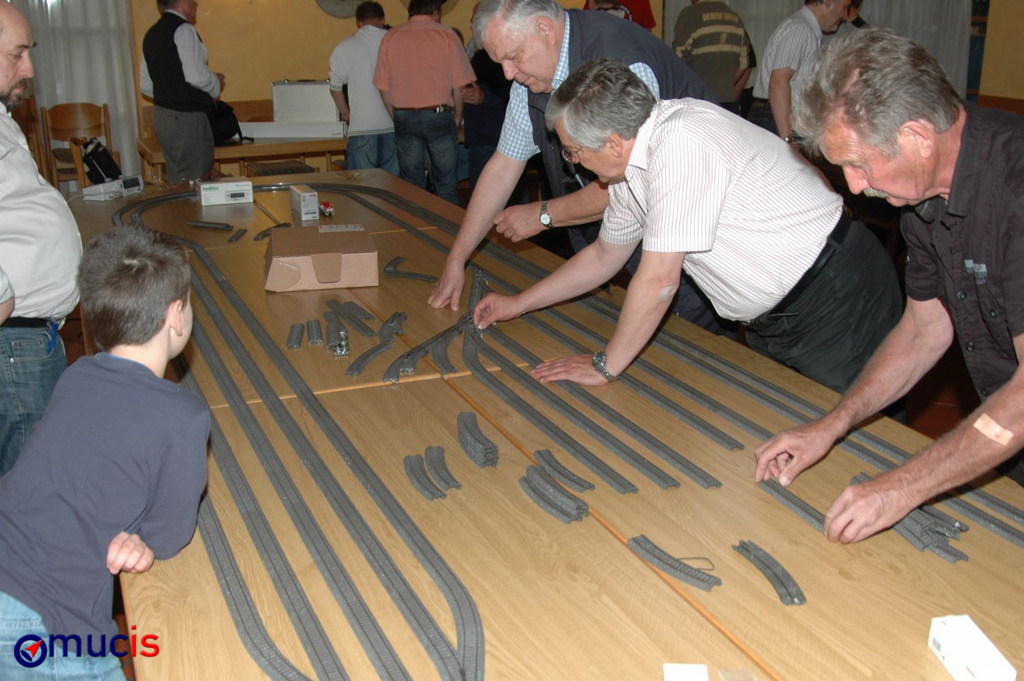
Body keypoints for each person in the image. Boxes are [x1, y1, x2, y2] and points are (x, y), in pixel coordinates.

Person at [473, 58, 900, 395]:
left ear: (613, 143)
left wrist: (605, 365)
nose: (573, 162)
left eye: (572, 152)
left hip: (836, 297)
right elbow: (603, 257)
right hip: (777, 318)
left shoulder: (681, 142)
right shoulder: (627, 173)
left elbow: (659, 281)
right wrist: (519, 303)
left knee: (866, 442)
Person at [754, 28, 1024, 544]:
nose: (855, 186)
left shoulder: (1015, 191)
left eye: (859, 164)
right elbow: (923, 330)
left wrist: (902, 486)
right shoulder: (922, 199)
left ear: (918, 137)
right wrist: (833, 423)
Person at [430, 0, 727, 342]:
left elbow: (633, 180)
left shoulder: (622, 64)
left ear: (545, 28)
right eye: (501, 63)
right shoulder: (529, 79)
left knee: (686, 342)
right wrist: (457, 258)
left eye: (514, 57)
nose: (509, 73)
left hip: (697, 243)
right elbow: (503, 166)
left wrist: (545, 214)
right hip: (622, 238)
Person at [0, 226, 210, 679]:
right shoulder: (184, 417)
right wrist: (143, 540)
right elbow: (170, 534)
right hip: (46, 619)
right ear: (176, 316)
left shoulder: (76, 376)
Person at [0, 1, 82, 477]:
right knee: (31, 486)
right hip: (13, 342)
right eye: (17, 55)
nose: (29, 69)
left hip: (29, 339)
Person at [373, 0, 475, 204]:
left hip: (403, 115)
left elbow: (383, 87)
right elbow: (460, 84)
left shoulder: (391, 36)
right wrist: (457, 115)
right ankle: (446, 224)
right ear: (435, 11)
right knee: (446, 185)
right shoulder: (447, 35)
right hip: (438, 114)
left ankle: (415, 223)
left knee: (412, 187)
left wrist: (395, 114)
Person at [140, 0, 226, 183]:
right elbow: (196, 76)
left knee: (178, 179)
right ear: (182, 2)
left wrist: (169, 94)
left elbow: (145, 84)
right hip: (187, 118)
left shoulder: (152, 34)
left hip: (162, 117)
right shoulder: (184, 30)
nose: (196, 3)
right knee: (196, 180)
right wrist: (216, 83)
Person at [749, 0, 851, 142]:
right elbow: (778, 82)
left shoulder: (805, 29)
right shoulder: (800, 28)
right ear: (828, 3)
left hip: (778, 119)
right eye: (845, 8)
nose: (845, 16)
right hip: (777, 121)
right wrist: (788, 138)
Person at [328, 1, 399, 175]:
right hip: (394, 127)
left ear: (358, 22)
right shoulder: (396, 42)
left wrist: (347, 115)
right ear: (382, 19)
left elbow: (335, 89)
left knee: (363, 188)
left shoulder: (346, 46)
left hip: (362, 128)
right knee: (394, 188)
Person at [672, 0, 751, 115]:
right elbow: (744, 63)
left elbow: (676, 59)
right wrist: (726, 84)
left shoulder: (690, 14)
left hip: (697, 100)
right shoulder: (735, 18)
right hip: (727, 101)